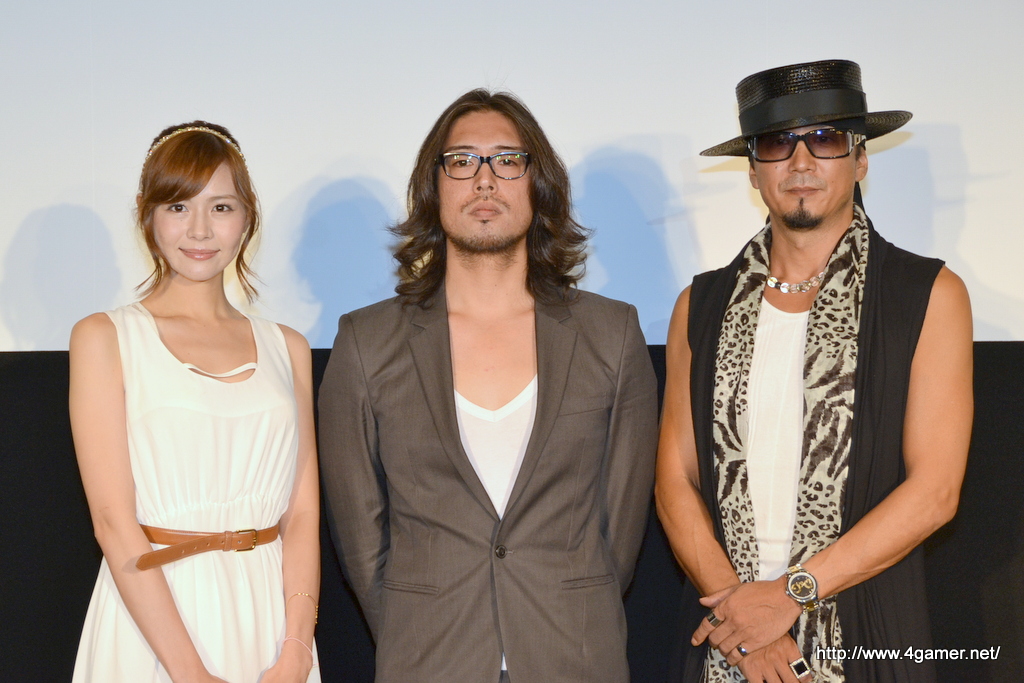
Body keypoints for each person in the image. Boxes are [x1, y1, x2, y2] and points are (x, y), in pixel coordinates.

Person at [318, 89, 659, 682]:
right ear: (434, 187)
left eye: (507, 160)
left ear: (538, 184)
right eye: (462, 161)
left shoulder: (613, 333)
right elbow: (360, 539)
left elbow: (620, 531)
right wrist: (415, 623)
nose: (484, 179)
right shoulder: (365, 341)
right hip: (428, 659)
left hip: (574, 656)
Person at [655, 60, 973, 683]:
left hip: (869, 634)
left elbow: (935, 492)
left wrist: (790, 594)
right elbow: (674, 479)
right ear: (753, 168)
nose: (801, 163)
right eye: (778, 143)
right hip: (726, 638)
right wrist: (743, 620)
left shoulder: (926, 295)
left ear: (860, 158)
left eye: (825, 140)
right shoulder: (701, 305)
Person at [70, 122, 321, 683]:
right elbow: (112, 521)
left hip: (271, 624)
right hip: (154, 622)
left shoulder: (288, 347)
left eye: (222, 207)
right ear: (147, 214)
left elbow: (303, 515)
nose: (200, 229)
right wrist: (190, 672)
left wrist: (297, 651)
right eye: (178, 206)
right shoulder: (105, 338)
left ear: (247, 217)